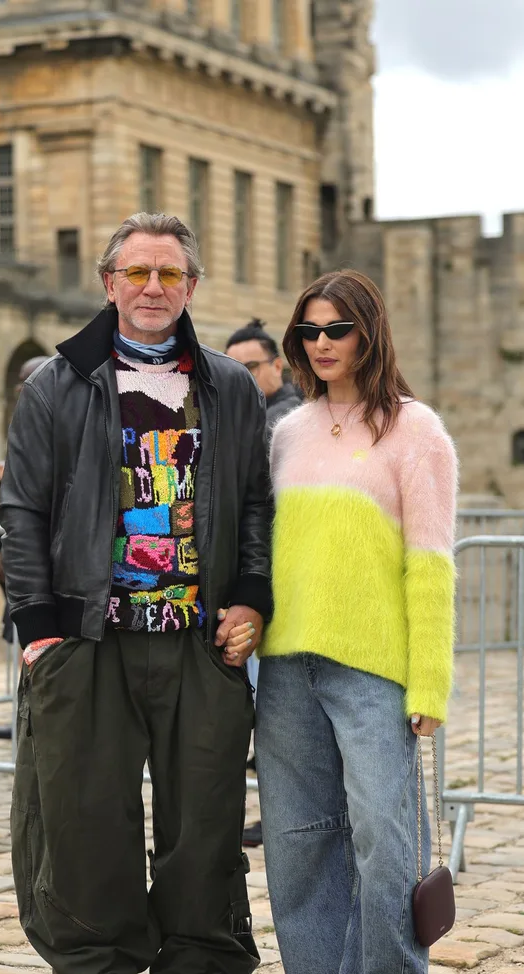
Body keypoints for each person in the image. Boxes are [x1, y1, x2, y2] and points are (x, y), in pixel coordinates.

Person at [0, 212, 272, 974]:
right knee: (84, 819)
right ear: (108, 282)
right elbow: (22, 509)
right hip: (90, 639)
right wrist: (40, 631)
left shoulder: (228, 386)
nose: (154, 288)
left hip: (197, 641)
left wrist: (250, 598)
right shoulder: (56, 382)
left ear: (192, 287)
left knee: (204, 821)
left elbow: (258, 507)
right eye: (138, 272)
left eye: (171, 275)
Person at [255, 270, 458, 974]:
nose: (322, 343)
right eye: (308, 332)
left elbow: (431, 566)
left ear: (369, 332)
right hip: (287, 666)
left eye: (337, 328)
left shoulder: (416, 432)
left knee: (385, 846)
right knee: (302, 844)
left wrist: (428, 686)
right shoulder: (289, 431)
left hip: (374, 669)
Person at [226, 320, 302, 847]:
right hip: (256, 585)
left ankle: (286, 818)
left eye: (252, 366)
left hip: (283, 587)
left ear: (277, 365)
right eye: (236, 369)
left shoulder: (289, 421)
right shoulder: (249, 413)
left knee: (280, 724)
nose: (245, 377)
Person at [0, 355, 48, 742]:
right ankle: (22, 716)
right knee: (19, 644)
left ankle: (32, 719)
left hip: (38, 566)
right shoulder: (22, 423)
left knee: (34, 648)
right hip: (15, 555)